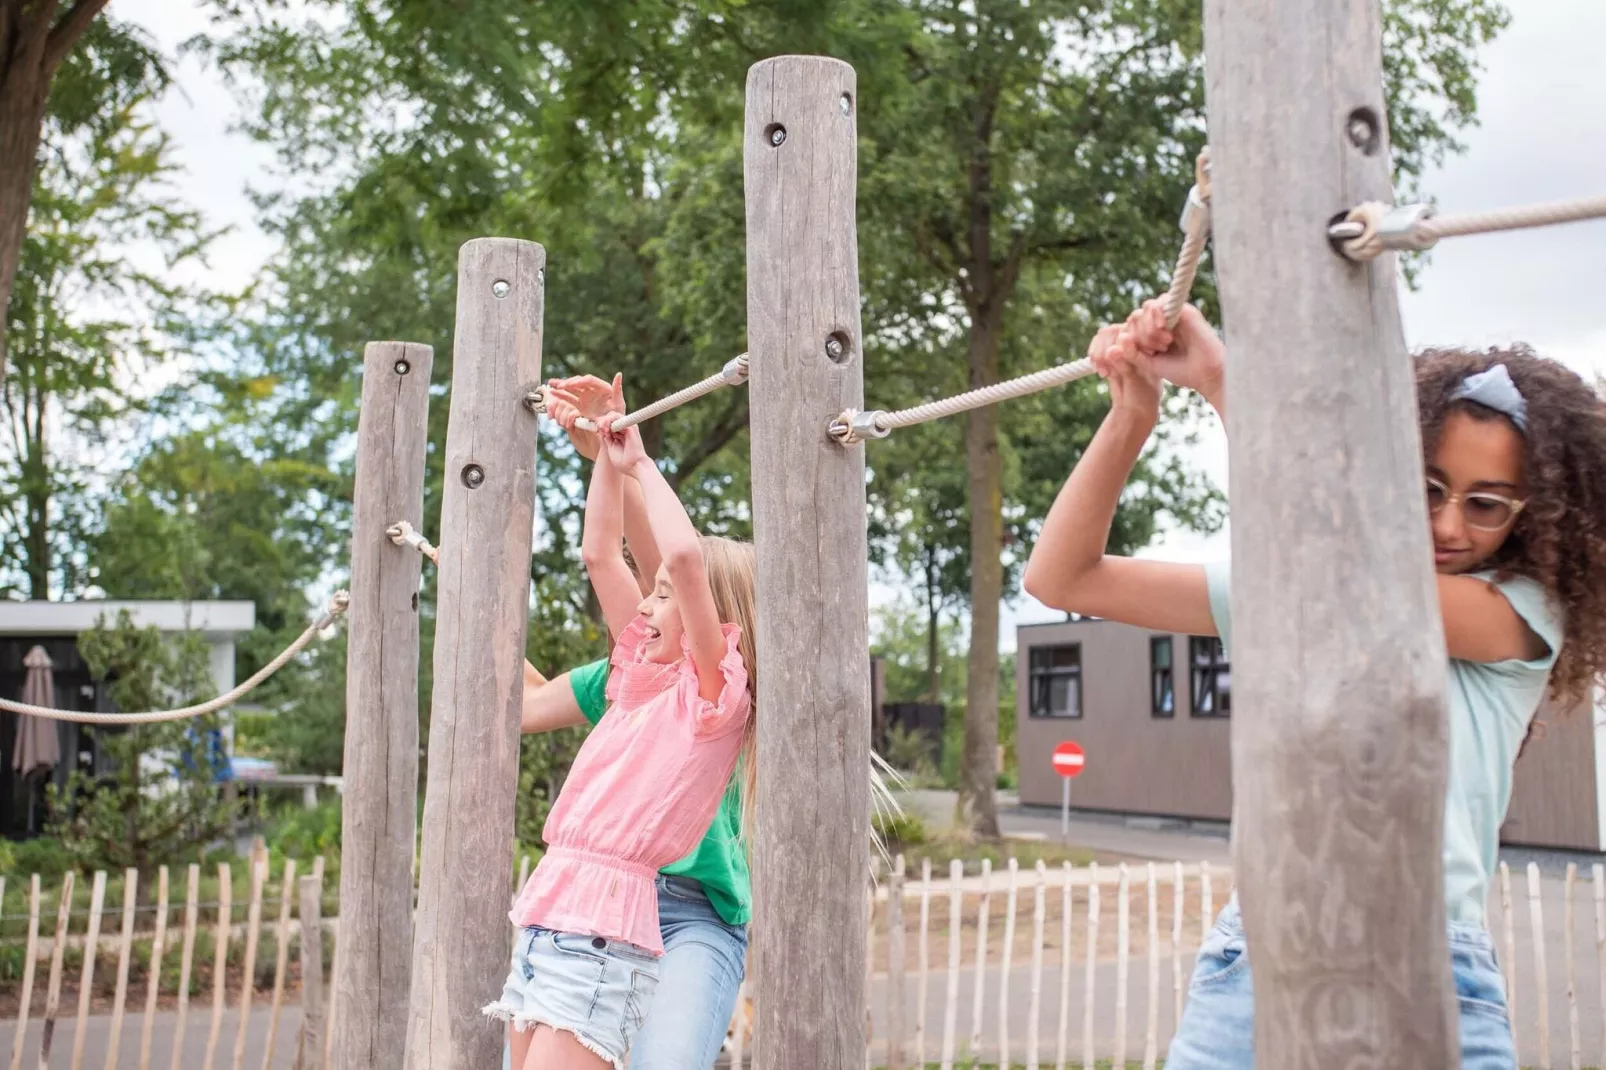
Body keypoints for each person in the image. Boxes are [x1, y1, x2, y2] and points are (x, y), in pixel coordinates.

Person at [1022, 299, 1606, 1068]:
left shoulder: (1523, 611)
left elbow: (1351, 576)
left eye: (1486, 504)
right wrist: (1132, 417)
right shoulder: (1299, 584)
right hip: (1261, 964)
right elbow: (1063, 576)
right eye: (1426, 487)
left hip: (1437, 971)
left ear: (1534, 519)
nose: (1449, 525)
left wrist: (1226, 383)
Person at [484, 375, 757, 1070]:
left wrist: (634, 457)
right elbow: (602, 553)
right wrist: (606, 456)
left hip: (640, 914)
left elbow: (686, 562)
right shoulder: (632, 681)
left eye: (661, 596)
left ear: (712, 626)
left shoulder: (709, 701)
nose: (642, 605)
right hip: (559, 908)